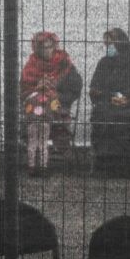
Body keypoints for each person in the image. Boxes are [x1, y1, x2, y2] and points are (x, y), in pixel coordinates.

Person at [88, 27, 130, 166]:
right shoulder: (104, 62)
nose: (108, 47)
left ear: (121, 43)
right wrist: (109, 96)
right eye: (106, 44)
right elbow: (94, 88)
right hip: (107, 102)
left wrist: (127, 98)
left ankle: (126, 162)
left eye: (110, 44)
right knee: (103, 116)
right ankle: (104, 161)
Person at [20, 31, 82, 164]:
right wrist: (37, 88)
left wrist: (55, 94)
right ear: (37, 49)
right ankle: (36, 154)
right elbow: (24, 90)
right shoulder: (31, 65)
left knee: (43, 113)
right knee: (36, 109)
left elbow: (75, 88)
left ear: (54, 46)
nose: (47, 50)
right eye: (43, 48)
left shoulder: (64, 63)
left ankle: (41, 153)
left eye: (50, 47)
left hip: (59, 104)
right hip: (36, 105)